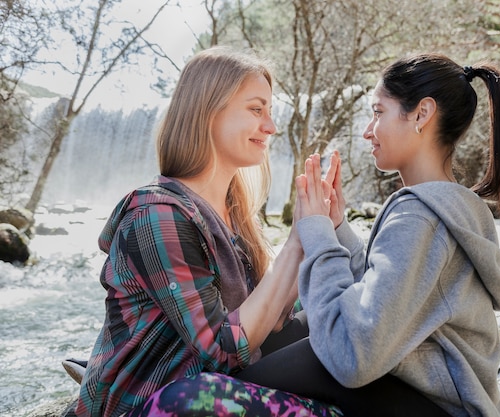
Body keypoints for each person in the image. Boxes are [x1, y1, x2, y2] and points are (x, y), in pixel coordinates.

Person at [74, 46, 332, 417]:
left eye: (270, 112)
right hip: (152, 404)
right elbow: (226, 349)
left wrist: (322, 231)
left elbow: (274, 317)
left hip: (216, 383)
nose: (271, 126)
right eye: (257, 109)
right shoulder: (157, 215)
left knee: (330, 321)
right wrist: (295, 242)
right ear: (209, 111)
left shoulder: (235, 213)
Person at [288, 53, 500, 416]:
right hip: (442, 404)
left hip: (434, 407)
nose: (368, 130)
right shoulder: (451, 207)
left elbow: (353, 353)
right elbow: (392, 300)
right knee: (296, 324)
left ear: (421, 114)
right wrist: (337, 229)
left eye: (378, 112)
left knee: (203, 393)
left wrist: (317, 235)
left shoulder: (421, 215)